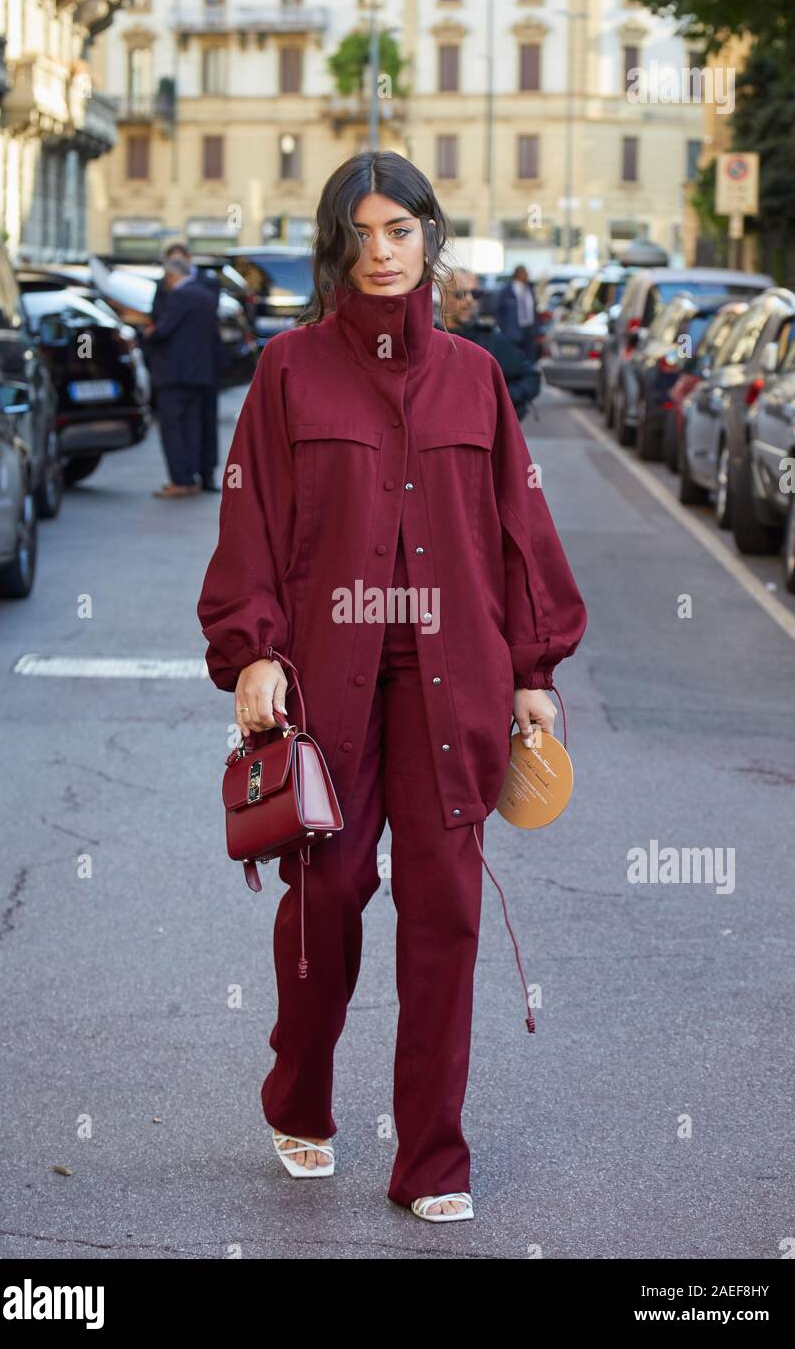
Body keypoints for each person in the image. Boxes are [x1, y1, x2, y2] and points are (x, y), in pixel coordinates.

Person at [196, 151, 587, 1223]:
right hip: (327, 677)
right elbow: (253, 521)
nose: (380, 253)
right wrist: (254, 648)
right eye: (360, 234)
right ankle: (300, 1092)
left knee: (446, 906)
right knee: (326, 897)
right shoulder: (286, 369)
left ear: (428, 239)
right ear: (337, 245)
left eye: (399, 231)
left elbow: (517, 529)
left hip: (451, 679)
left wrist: (534, 672)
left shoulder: (472, 378)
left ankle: (431, 1158)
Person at [144, 256, 221, 498]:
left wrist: (148, 333)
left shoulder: (178, 296)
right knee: (193, 426)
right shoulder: (206, 294)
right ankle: (194, 476)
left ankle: (180, 479)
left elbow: (163, 331)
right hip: (200, 373)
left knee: (173, 428)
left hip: (173, 373)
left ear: (171, 276)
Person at [439, 267, 541, 415]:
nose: (469, 300)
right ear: (443, 296)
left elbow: (531, 376)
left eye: (475, 294)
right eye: (460, 294)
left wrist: (500, 399)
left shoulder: (491, 339)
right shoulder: (424, 339)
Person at [494, 264, 539, 363]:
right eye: (525, 273)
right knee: (514, 358)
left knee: (529, 359)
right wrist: (504, 327)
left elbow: (534, 309)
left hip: (529, 330)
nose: (527, 275)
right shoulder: (507, 290)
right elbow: (498, 310)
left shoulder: (529, 289)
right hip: (512, 331)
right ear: (518, 274)